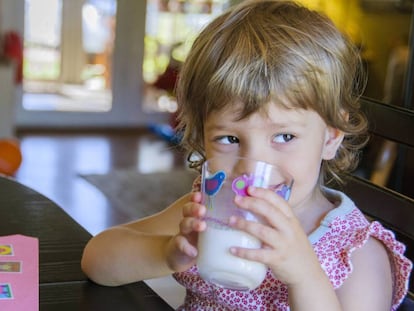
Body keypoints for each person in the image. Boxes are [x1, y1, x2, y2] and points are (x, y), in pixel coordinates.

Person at [81, 1, 412, 310]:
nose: (251, 167)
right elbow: (97, 260)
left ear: (330, 138)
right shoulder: (213, 210)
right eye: (229, 138)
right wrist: (167, 253)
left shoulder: (356, 253)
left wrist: (303, 275)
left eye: (284, 136)